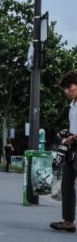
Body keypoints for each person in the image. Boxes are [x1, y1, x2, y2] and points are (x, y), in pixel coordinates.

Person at [50, 70, 77, 233]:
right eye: (64, 89)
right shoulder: (72, 104)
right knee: (66, 184)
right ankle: (68, 221)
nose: (67, 91)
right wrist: (68, 133)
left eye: (70, 87)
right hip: (71, 148)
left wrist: (74, 137)